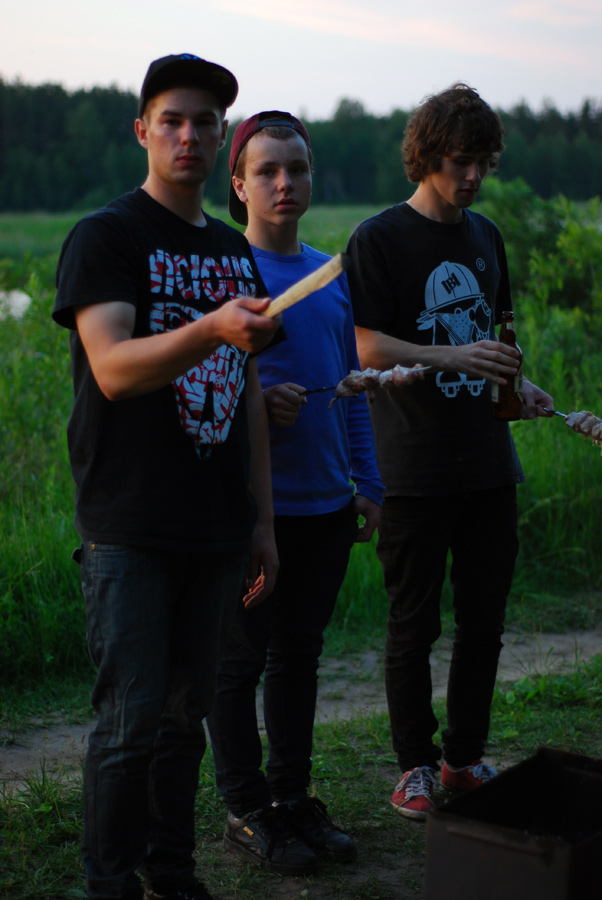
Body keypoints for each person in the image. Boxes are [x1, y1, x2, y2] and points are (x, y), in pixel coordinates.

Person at [52, 54, 281, 900]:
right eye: (173, 120)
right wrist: (213, 327)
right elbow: (113, 368)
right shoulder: (107, 236)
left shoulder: (231, 252)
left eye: (205, 123)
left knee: (187, 719)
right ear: (143, 130)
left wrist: (261, 521)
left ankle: (172, 873)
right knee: (130, 722)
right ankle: (108, 883)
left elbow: (248, 394)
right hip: (130, 523)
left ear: (221, 140)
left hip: (217, 525)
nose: (189, 135)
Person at [345, 83, 555, 821]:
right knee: (414, 625)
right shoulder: (378, 238)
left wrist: (521, 386)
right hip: (411, 467)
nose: (473, 176)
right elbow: (365, 345)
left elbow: (494, 338)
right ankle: (413, 767)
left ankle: (462, 760)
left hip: (489, 465)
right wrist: (454, 357)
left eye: (484, 162)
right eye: (461, 160)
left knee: (484, 622)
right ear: (428, 155)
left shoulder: (486, 235)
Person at [205, 111, 384, 874]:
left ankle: (290, 796)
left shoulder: (328, 277)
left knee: (299, 656)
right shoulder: (224, 274)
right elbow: (197, 391)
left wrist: (368, 481)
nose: (285, 183)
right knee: (238, 662)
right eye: (268, 171)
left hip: (324, 504)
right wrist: (256, 406)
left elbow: (351, 388)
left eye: (298, 169)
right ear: (238, 184)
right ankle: (246, 809)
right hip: (252, 514)